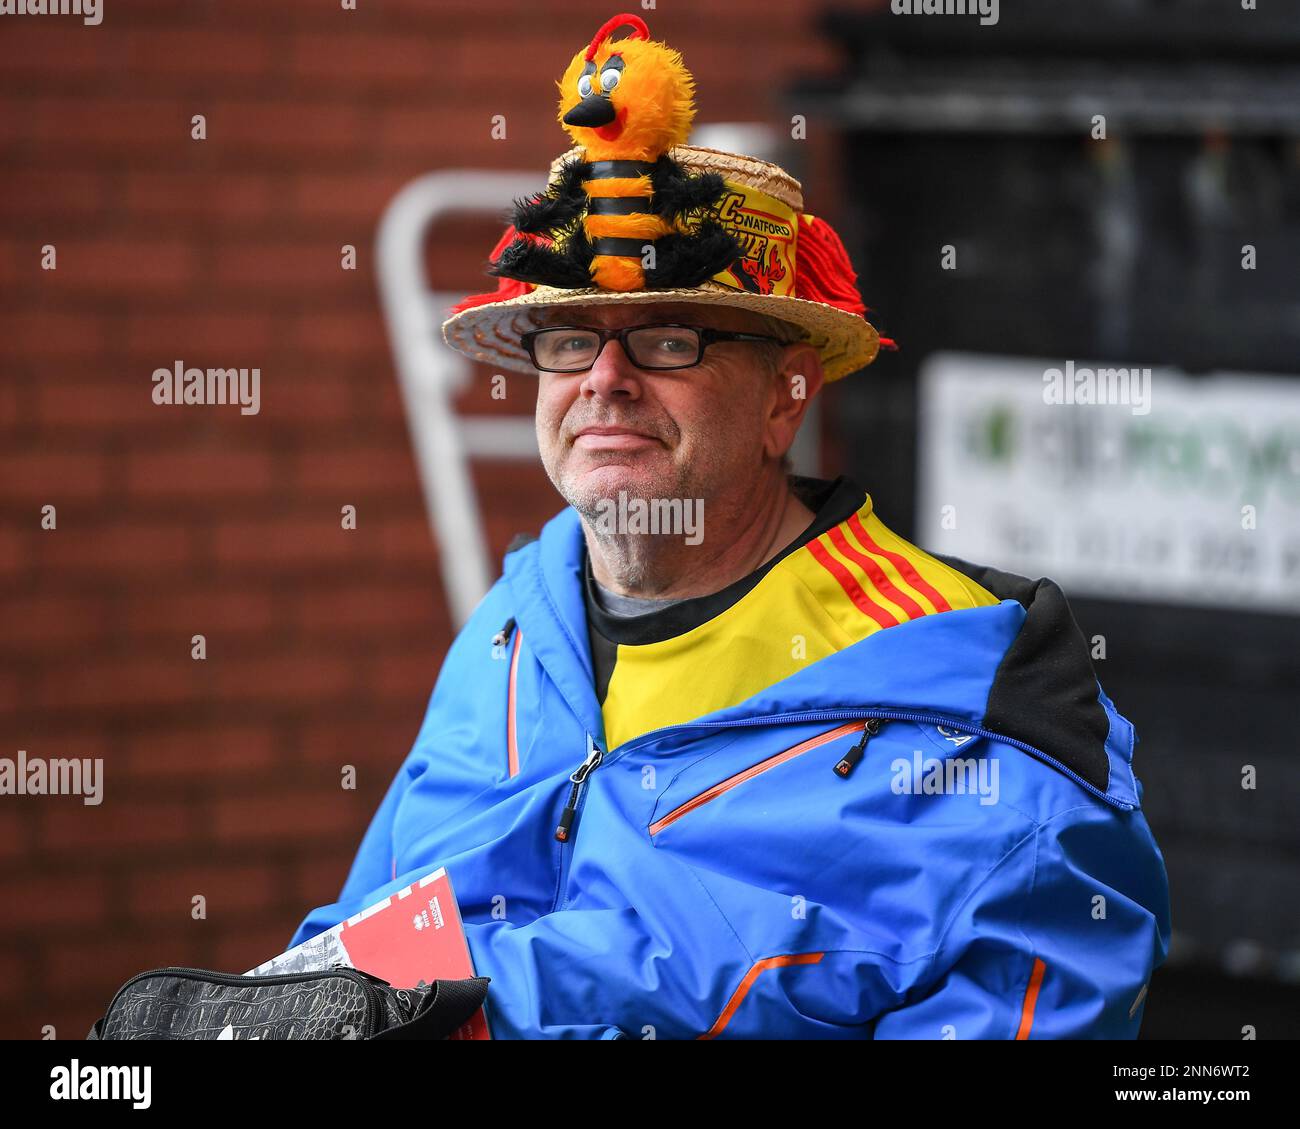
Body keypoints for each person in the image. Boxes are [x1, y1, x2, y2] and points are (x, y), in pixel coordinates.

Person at [288, 13, 1170, 1039]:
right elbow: (372, 937)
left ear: (783, 400)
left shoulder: (970, 707)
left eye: (667, 340)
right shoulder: (512, 629)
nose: (604, 382)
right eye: (570, 339)